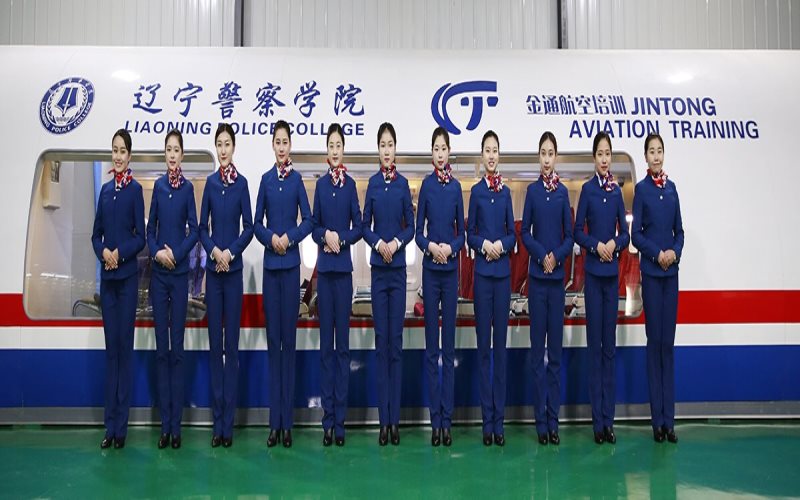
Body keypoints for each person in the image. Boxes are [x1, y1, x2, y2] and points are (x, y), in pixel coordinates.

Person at [254, 120, 312, 448]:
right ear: (272, 145)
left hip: (290, 269)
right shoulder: (265, 180)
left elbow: (310, 220)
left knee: (288, 345)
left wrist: (289, 237)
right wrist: (270, 238)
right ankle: (273, 423)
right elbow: (255, 223)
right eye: (277, 141)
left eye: (285, 141)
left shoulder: (297, 180)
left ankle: (287, 424)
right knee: (273, 344)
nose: (281, 146)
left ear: (290, 145)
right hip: (270, 270)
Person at [199, 123, 254, 448]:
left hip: (232, 274)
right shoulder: (209, 184)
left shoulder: (242, 184)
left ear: (233, 148)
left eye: (226, 144)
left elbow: (249, 227)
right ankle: (216, 422)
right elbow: (201, 228)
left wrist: (230, 252)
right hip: (213, 273)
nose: (222, 150)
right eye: (218, 144)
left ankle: (228, 425)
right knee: (214, 348)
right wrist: (214, 251)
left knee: (230, 349)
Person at [574, 131, 630, 445]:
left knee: (610, 349)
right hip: (594, 277)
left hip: (612, 278)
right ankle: (598, 423)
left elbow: (626, 234)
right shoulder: (587, 190)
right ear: (594, 157)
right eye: (600, 154)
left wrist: (615, 244)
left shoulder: (618, 192)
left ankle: (610, 421)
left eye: (608, 153)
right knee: (595, 350)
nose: (605, 159)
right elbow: (577, 231)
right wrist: (596, 245)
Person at [91, 128, 145, 449]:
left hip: (126, 281)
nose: (118, 156)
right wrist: (103, 253)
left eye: (122, 151)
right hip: (108, 284)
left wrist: (119, 254)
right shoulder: (105, 191)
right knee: (111, 351)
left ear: (129, 155)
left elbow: (141, 237)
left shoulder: (135, 191)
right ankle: (108, 426)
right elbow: (95, 235)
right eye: (114, 150)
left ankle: (121, 428)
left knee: (125, 350)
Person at [362, 122, 414, 446]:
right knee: (381, 345)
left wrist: (395, 242)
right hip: (378, 274)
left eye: (390, 144)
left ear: (395, 149)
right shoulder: (371, 184)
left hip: (397, 271)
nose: (386, 150)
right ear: (378, 149)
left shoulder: (404, 185)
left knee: (396, 345)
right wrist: (377, 242)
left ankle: (396, 421)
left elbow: (411, 227)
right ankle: (383, 422)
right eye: (382, 145)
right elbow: (363, 226)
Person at [146, 129, 198, 449]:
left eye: (176, 150)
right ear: (165, 154)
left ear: (182, 154)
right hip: (159, 277)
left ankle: (175, 427)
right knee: (161, 350)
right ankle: (163, 426)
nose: (172, 155)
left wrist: (175, 254)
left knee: (177, 350)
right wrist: (156, 253)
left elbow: (195, 230)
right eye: (168, 149)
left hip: (178, 276)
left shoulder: (188, 189)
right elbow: (150, 230)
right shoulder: (158, 187)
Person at [311, 123, 362, 447]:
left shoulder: (351, 186)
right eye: (330, 145)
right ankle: (326, 421)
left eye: (338, 145)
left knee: (342, 349)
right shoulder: (319, 186)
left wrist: (339, 238)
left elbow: (359, 227)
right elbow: (313, 225)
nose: (334, 150)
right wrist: (324, 235)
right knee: (326, 350)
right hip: (325, 276)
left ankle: (340, 423)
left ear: (343, 150)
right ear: (327, 150)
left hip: (343, 274)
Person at [520, 131, 573, 446]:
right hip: (538, 283)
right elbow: (525, 233)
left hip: (557, 284)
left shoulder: (564, 193)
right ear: (538, 157)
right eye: (543, 153)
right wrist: (542, 256)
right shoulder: (532, 192)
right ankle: (540, 422)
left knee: (555, 355)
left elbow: (570, 235)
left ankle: (554, 421)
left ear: (556, 157)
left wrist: (557, 256)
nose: (547, 159)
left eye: (551, 153)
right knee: (536, 354)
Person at [631, 133, 684, 444]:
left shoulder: (672, 189)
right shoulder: (641, 190)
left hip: (671, 275)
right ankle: (657, 423)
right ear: (645, 157)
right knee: (654, 345)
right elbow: (636, 234)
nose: (656, 156)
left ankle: (669, 420)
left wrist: (674, 252)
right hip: (652, 274)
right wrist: (657, 254)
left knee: (668, 345)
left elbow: (680, 231)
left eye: (660, 151)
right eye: (651, 151)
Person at [415, 126, 464, 447]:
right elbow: (418, 233)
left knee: (449, 349)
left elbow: (463, 233)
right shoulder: (426, 187)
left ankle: (448, 421)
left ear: (449, 152)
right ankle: (435, 422)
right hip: (432, 273)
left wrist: (452, 248)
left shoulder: (457, 187)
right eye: (436, 148)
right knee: (432, 351)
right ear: (432, 153)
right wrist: (432, 247)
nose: (440, 153)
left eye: (444, 148)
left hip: (451, 273)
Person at [467, 130, 516, 447]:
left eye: (495, 150)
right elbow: (470, 233)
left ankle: (500, 422)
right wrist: (484, 244)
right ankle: (487, 423)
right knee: (484, 350)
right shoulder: (476, 192)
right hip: (483, 277)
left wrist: (502, 244)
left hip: (503, 278)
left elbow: (513, 234)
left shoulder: (507, 193)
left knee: (501, 350)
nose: (492, 155)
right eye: (487, 150)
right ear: (482, 155)